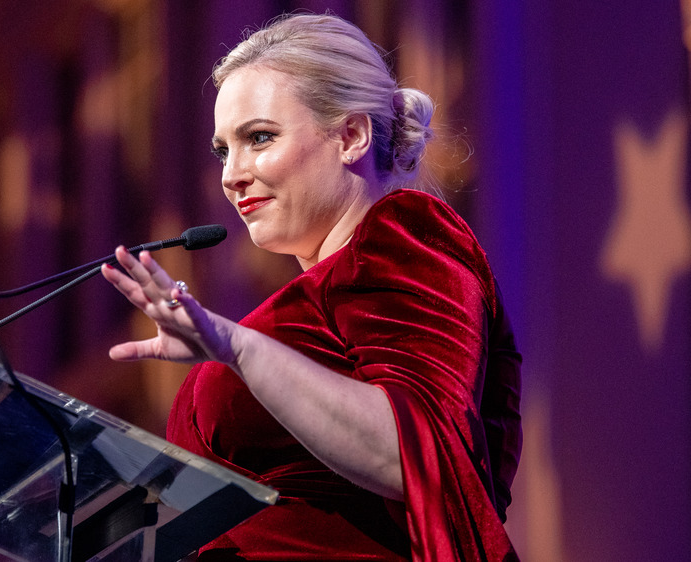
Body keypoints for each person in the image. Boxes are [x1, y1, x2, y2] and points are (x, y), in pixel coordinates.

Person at [100, 13, 522, 561]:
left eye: (259, 138)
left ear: (351, 136)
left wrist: (239, 349)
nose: (232, 174)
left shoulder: (406, 234)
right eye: (223, 150)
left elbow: (420, 455)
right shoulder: (298, 304)